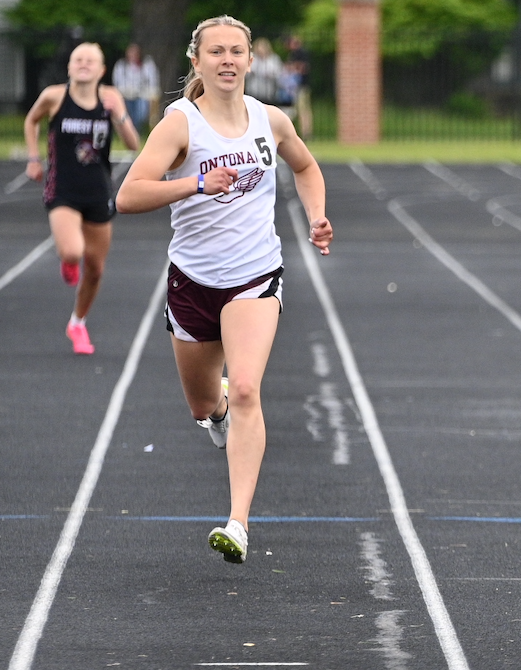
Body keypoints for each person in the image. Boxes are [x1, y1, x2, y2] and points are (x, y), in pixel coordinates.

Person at [115, 15, 333, 564]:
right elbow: (129, 195)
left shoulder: (270, 119)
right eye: (217, 52)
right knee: (206, 402)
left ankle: (237, 523)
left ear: (252, 59)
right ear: (198, 61)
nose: (228, 60)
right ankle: (216, 412)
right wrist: (195, 183)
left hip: (254, 277)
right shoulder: (180, 124)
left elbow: (306, 167)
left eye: (237, 50)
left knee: (249, 392)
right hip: (192, 283)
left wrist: (317, 216)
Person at [24, 42, 140, 355]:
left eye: (91, 60)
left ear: (102, 70)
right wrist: (34, 158)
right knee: (74, 252)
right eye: (78, 59)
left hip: (99, 189)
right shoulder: (54, 96)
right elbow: (31, 120)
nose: (84, 64)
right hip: (62, 188)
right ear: (70, 67)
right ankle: (68, 260)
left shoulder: (111, 98)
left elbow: (133, 144)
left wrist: (119, 117)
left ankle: (77, 323)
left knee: (96, 268)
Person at [112, 43, 160, 133]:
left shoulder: (146, 65)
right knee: (126, 115)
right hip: (125, 95)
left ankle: (136, 132)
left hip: (142, 95)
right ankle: (129, 132)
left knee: (140, 114)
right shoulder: (122, 66)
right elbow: (117, 81)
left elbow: (152, 80)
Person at [286, 35, 312, 140]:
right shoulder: (294, 54)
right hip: (295, 86)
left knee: (303, 109)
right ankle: (301, 131)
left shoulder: (301, 53)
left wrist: (292, 68)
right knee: (297, 109)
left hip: (301, 86)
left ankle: (306, 133)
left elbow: (303, 68)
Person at [244, 37, 283, 106]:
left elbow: (278, 73)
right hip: (253, 91)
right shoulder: (251, 59)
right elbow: (245, 73)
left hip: (269, 92)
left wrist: (269, 74)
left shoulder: (273, 59)